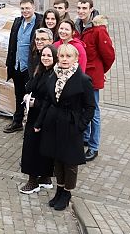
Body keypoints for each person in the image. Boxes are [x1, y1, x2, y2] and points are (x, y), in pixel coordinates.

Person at [33, 44, 95, 211]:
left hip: (71, 125)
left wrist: (80, 126)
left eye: (69, 56)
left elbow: (90, 108)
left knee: (69, 162)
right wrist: (39, 123)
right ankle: (59, 190)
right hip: (54, 124)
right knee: (57, 159)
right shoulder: (53, 76)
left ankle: (67, 193)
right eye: (62, 56)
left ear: (76, 59)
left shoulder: (83, 80)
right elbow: (47, 101)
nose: (65, 59)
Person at [76, 0, 115, 162]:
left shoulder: (98, 30)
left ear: (91, 9)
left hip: (92, 77)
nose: (81, 11)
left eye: (85, 8)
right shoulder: (77, 27)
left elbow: (109, 55)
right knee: (82, 108)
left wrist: (99, 71)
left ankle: (93, 147)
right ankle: (85, 137)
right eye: (79, 8)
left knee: (94, 112)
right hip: (79, 75)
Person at [19, 43, 56, 194]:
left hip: (43, 117)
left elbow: (52, 99)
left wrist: (36, 103)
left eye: (49, 55)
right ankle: (45, 178)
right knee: (37, 147)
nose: (45, 58)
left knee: (33, 148)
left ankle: (33, 181)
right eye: (43, 55)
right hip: (36, 115)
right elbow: (29, 87)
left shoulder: (54, 75)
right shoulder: (41, 71)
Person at [4, 0, 43, 133]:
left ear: (33, 8)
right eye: (22, 8)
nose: (25, 11)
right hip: (17, 66)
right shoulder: (17, 22)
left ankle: (32, 125)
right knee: (19, 95)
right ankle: (17, 121)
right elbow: (12, 43)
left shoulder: (39, 22)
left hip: (30, 68)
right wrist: (10, 62)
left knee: (31, 97)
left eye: (28, 8)